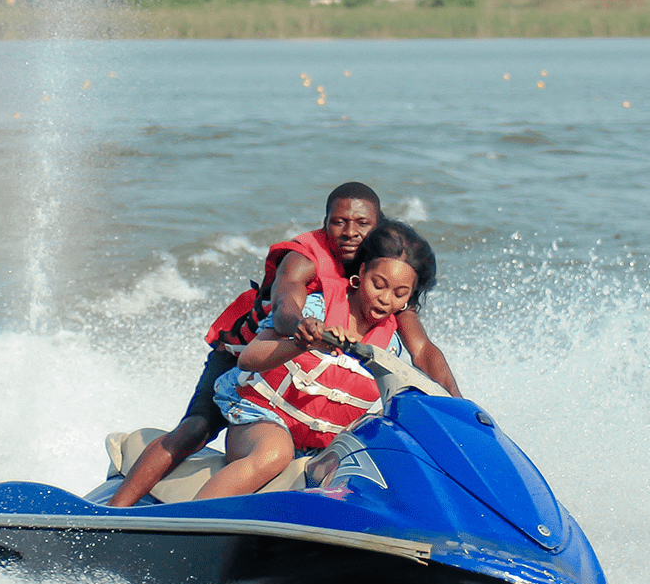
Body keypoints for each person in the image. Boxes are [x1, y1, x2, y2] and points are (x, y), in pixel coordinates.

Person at [107, 183, 459, 507]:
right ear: (325, 223)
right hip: (247, 355)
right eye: (338, 222)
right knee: (196, 429)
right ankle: (118, 511)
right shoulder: (307, 258)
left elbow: (424, 351)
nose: (350, 232)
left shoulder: (392, 275)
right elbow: (284, 309)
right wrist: (307, 332)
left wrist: (462, 413)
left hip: (303, 384)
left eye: (361, 223)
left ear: (379, 227)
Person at [193, 219, 435, 501]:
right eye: (378, 285)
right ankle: (188, 522)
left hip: (320, 448)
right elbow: (249, 359)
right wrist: (301, 342)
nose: (385, 299)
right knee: (275, 451)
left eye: (399, 294)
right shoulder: (315, 307)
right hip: (261, 421)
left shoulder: (391, 345)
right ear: (361, 272)